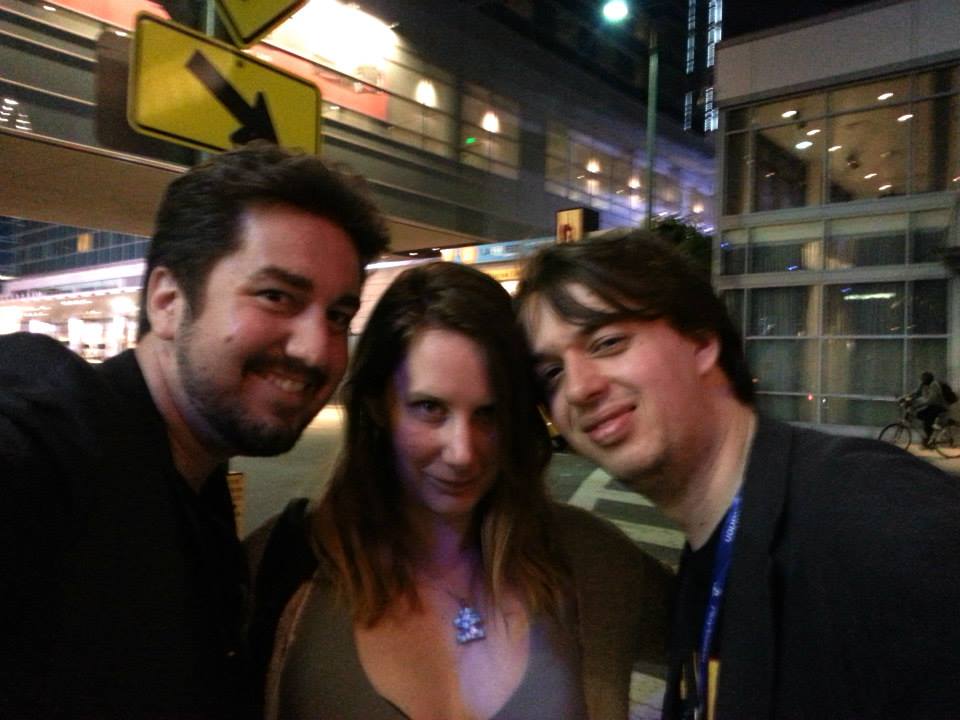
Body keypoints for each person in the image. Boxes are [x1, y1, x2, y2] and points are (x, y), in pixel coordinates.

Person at [0, 142, 389, 719]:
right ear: (167, 301)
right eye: (276, 296)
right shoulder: (54, 444)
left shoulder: (198, 490)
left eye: (337, 316)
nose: (316, 350)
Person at [515, 229, 960, 720]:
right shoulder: (711, 559)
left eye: (607, 342)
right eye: (552, 373)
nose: (579, 389)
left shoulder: (872, 516)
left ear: (701, 341)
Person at [246, 262, 673, 720]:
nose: (463, 453)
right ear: (377, 405)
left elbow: (722, 629)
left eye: (488, 413)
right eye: (430, 408)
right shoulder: (278, 566)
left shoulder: (589, 558)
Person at [903, 371, 948, 446]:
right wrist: (905, 397)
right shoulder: (923, 384)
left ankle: (930, 439)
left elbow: (931, 400)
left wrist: (917, 406)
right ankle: (929, 438)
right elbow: (917, 393)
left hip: (939, 406)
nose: (922, 381)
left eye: (924, 379)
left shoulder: (934, 385)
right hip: (932, 406)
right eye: (922, 379)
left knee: (925, 418)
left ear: (928, 379)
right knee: (923, 417)